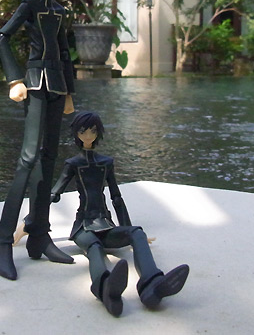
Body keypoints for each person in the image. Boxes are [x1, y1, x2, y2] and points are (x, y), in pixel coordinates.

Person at [51, 111, 190, 317]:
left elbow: (116, 197)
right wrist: (31, 224)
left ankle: (152, 284)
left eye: (92, 131)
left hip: (106, 225)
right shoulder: (73, 164)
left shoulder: (106, 162)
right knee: (94, 248)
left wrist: (129, 229)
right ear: (76, 134)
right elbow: (54, 194)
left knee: (137, 233)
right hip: (83, 228)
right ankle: (105, 288)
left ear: (98, 133)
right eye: (83, 131)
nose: (88, 135)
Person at [0, 0, 76, 281]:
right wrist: (14, 79)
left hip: (57, 87)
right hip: (34, 84)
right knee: (28, 158)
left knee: (50, 157)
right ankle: (4, 240)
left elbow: (65, 52)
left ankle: (39, 235)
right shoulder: (29, 5)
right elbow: (2, 37)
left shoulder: (60, 9)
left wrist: (69, 92)